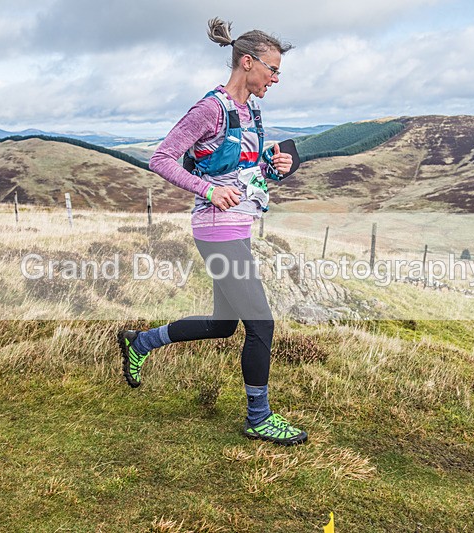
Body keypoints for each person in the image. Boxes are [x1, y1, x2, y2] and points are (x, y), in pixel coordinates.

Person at [117, 17, 307, 446]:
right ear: (247, 62)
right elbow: (162, 158)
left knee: (225, 324)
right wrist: (206, 188)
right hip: (216, 228)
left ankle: (140, 343)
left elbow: (240, 169)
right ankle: (259, 418)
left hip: (239, 224)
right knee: (262, 325)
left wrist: (275, 168)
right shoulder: (210, 108)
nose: (276, 78)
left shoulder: (251, 111)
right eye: (272, 70)